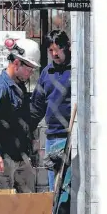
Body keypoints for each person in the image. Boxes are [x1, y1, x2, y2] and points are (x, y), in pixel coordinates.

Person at [0, 38, 41, 193]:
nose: (31, 73)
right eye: (29, 68)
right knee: (2, 208)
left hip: (19, 155)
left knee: (27, 205)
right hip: (1, 157)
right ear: (17, 63)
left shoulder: (18, 88)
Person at [30, 29, 71, 191]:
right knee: (54, 186)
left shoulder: (76, 71)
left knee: (68, 185)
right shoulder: (47, 73)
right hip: (52, 137)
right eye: (50, 50)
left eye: (57, 49)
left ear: (66, 47)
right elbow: (37, 107)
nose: (54, 54)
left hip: (71, 136)